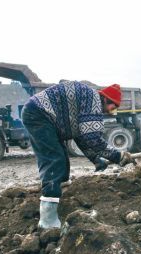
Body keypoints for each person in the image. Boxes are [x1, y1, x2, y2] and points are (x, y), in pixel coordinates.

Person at [22, 80, 133, 229]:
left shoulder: (89, 102)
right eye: (114, 106)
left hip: (39, 113)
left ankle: (60, 200)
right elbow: (92, 138)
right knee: (54, 160)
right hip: (39, 114)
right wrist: (117, 156)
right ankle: (47, 221)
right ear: (106, 99)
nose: (112, 111)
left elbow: (81, 137)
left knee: (62, 158)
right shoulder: (93, 100)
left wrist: (96, 159)